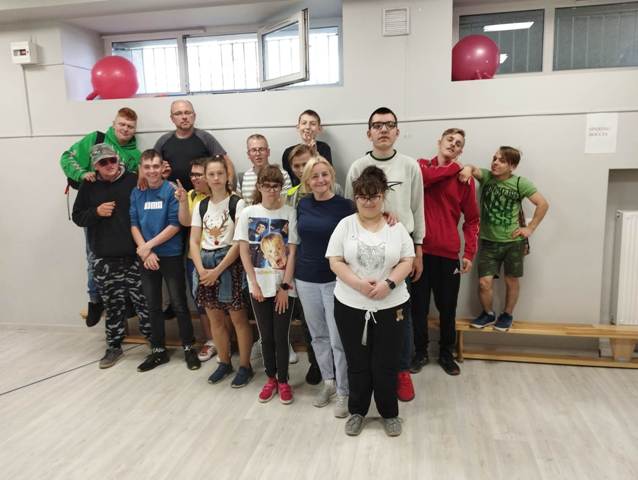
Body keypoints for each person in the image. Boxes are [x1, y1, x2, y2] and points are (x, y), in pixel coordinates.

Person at [327, 166, 415, 437]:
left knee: (386, 362)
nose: (368, 201)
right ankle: (358, 411)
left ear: (382, 196)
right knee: (357, 362)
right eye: (362, 196)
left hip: (391, 305)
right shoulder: (345, 225)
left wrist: (389, 284)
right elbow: (335, 261)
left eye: (374, 196)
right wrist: (358, 284)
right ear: (356, 198)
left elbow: (407, 261)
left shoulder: (396, 227)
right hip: (351, 305)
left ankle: (389, 413)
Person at [344, 107, 424, 403]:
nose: (383, 130)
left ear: (397, 132)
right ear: (369, 133)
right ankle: (371, 370)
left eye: (389, 125)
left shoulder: (410, 166)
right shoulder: (357, 167)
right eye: (377, 125)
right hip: (365, 250)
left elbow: (418, 208)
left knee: (400, 312)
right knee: (367, 309)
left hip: (401, 251)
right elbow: (352, 207)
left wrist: (418, 247)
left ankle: (402, 370)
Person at [72, 144, 151, 369]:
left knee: (145, 303)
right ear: (95, 166)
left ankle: (155, 344)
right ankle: (114, 347)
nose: (109, 165)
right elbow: (77, 216)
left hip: (135, 256)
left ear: (118, 159)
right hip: (105, 259)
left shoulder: (133, 180)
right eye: (103, 162)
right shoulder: (88, 186)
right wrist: (96, 212)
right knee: (113, 306)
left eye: (112, 160)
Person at [60, 107, 140, 327]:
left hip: (121, 215)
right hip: (95, 211)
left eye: (130, 126)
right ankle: (95, 300)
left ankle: (127, 300)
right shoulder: (96, 139)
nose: (125, 129)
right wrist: (81, 174)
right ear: (114, 124)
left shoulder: (135, 155)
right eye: (122, 124)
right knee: (93, 256)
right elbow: (67, 158)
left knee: (128, 257)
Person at [411, 128, 480, 377]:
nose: (453, 144)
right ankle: (419, 352)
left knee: (448, 308)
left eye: (458, 143)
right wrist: (459, 167)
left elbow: (472, 219)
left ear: (461, 150)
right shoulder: (420, 166)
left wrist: (469, 252)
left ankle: (446, 354)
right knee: (418, 307)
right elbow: (428, 177)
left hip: (449, 254)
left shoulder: (465, 181)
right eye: (450, 139)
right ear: (439, 141)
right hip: (419, 253)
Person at [130, 149, 201, 372]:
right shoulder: (137, 192)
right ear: (142, 169)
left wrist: (148, 246)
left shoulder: (171, 190)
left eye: (155, 166)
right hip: (147, 257)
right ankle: (158, 350)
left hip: (170, 254)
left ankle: (188, 347)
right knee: (152, 304)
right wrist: (145, 252)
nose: (151, 171)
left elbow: (175, 225)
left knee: (179, 303)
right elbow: (134, 223)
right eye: (147, 167)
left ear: (162, 167)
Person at [465, 147, 549, 331]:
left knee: (511, 281)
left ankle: (507, 315)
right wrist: (468, 168)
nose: (495, 163)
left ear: (512, 166)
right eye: (494, 158)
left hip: (513, 243)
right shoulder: (486, 177)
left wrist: (530, 228)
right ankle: (488, 313)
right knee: (484, 282)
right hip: (488, 242)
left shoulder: (520, 183)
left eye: (501, 160)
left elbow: (543, 204)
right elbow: (472, 168)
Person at [295, 157, 354, 417]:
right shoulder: (302, 204)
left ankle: (344, 391)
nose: (320, 180)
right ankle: (328, 382)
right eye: (314, 176)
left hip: (334, 280)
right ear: (307, 181)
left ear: (331, 176)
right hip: (305, 279)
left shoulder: (345, 206)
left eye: (324, 174)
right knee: (318, 336)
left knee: (338, 339)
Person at [188, 155, 254, 387]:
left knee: (238, 319)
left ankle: (245, 366)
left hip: (229, 265)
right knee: (215, 319)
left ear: (227, 176)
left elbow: (239, 241)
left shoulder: (238, 203)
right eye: (211, 174)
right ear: (205, 177)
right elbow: (194, 241)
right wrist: (201, 270)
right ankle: (224, 362)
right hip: (205, 264)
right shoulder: (201, 205)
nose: (216, 178)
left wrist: (217, 270)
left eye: (220, 173)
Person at [235, 165, 298, 404]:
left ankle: (283, 380)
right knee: (266, 336)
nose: (272, 190)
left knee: (281, 336)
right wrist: (254, 284)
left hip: (283, 287)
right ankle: (271, 378)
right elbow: (244, 251)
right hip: (258, 287)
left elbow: (292, 253)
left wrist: (285, 287)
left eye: (276, 186)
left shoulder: (289, 212)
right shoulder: (248, 213)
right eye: (267, 186)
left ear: (281, 188)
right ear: (259, 186)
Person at [175, 158, 217, 362]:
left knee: (225, 302)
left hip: (219, 257)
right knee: (201, 302)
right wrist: (183, 201)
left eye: (199, 174)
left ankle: (226, 340)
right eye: (192, 174)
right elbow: (185, 222)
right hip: (195, 258)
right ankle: (211, 341)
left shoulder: (224, 196)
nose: (194, 178)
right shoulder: (192, 195)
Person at [154, 100, 231, 191]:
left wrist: (229, 185)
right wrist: (143, 177)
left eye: (187, 113)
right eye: (178, 114)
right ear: (172, 118)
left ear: (194, 116)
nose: (184, 117)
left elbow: (225, 161)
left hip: (203, 194)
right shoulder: (163, 141)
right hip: (172, 194)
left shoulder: (205, 138)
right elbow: (150, 165)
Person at [281, 109, 333, 185]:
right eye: (304, 123)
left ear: (319, 129)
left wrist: (315, 154)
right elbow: (288, 180)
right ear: (298, 127)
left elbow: (329, 174)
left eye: (313, 124)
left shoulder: (324, 148)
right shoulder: (288, 152)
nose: (308, 127)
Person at [238, 134, 292, 205]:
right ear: (248, 154)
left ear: (268, 152)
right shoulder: (243, 178)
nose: (258, 153)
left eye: (261, 149)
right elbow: (241, 206)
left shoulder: (283, 175)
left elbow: (286, 203)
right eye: (253, 150)